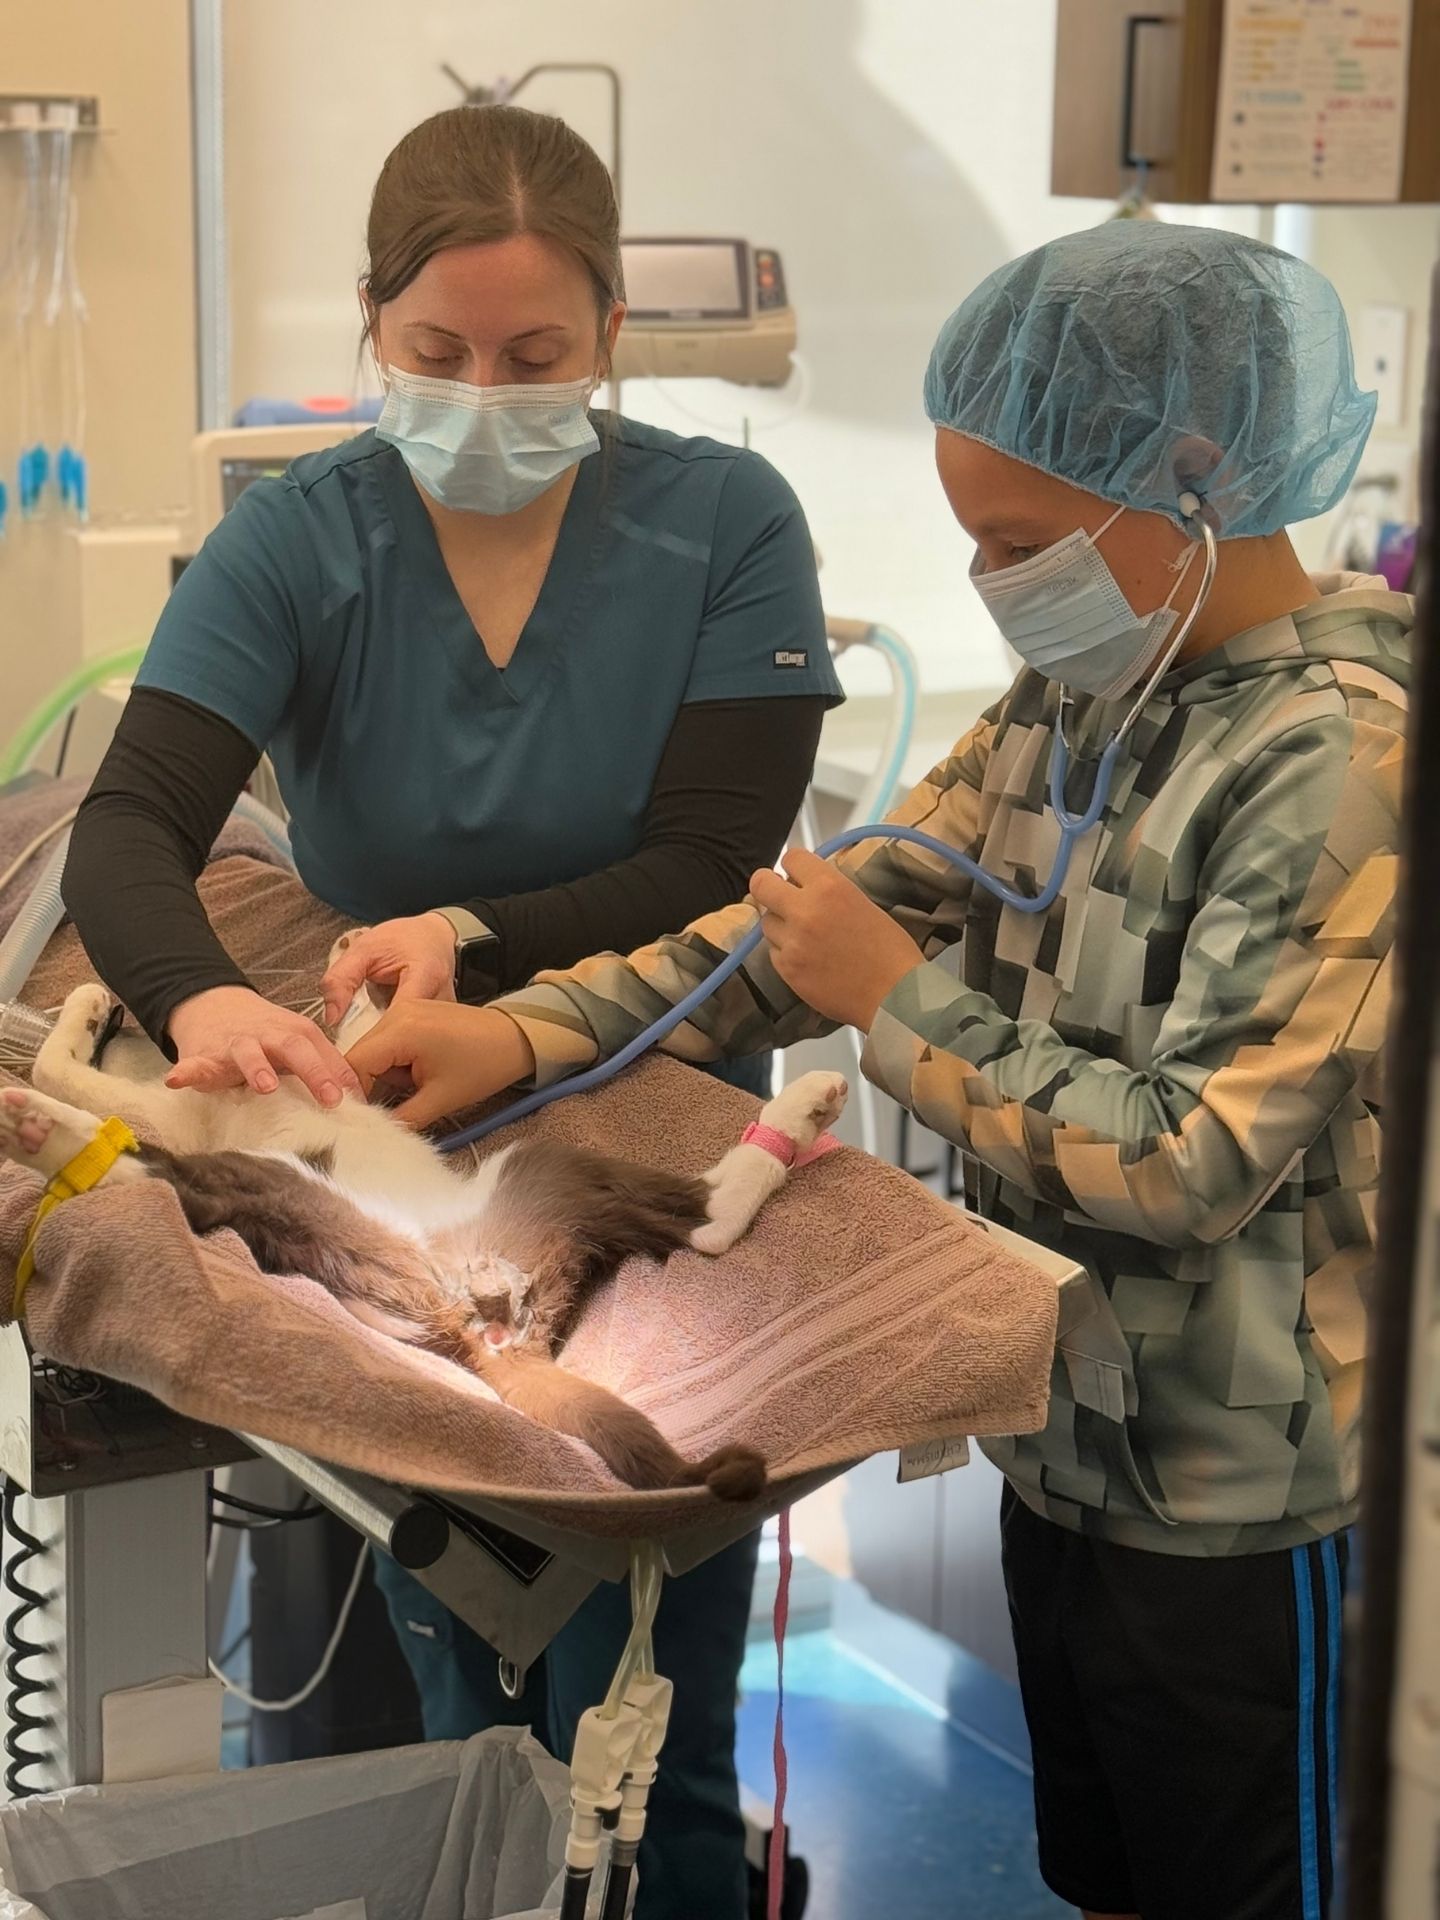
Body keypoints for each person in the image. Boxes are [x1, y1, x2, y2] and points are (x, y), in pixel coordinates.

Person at [346, 223, 1408, 1920]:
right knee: (1111, 1882)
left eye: (1019, 543)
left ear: (1194, 482)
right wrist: (517, 1027)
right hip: (1062, 1445)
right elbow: (806, 923)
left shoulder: (1339, 755)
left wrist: (900, 1003)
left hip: (1239, 1509)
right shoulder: (1078, 701)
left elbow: (1197, 1157)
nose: (996, 585)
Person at [61, 105, 841, 1920]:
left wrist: (474, 934)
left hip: (665, 1150)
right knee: (448, 1699)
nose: (483, 393)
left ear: (610, 339)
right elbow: (128, 830)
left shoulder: (724, 524)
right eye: (436, 356)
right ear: (371, 331)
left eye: (535, 357)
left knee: (652, 1724)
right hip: (404, 1153)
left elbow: (722, 864)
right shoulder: (302, 546)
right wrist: (194, 1007)